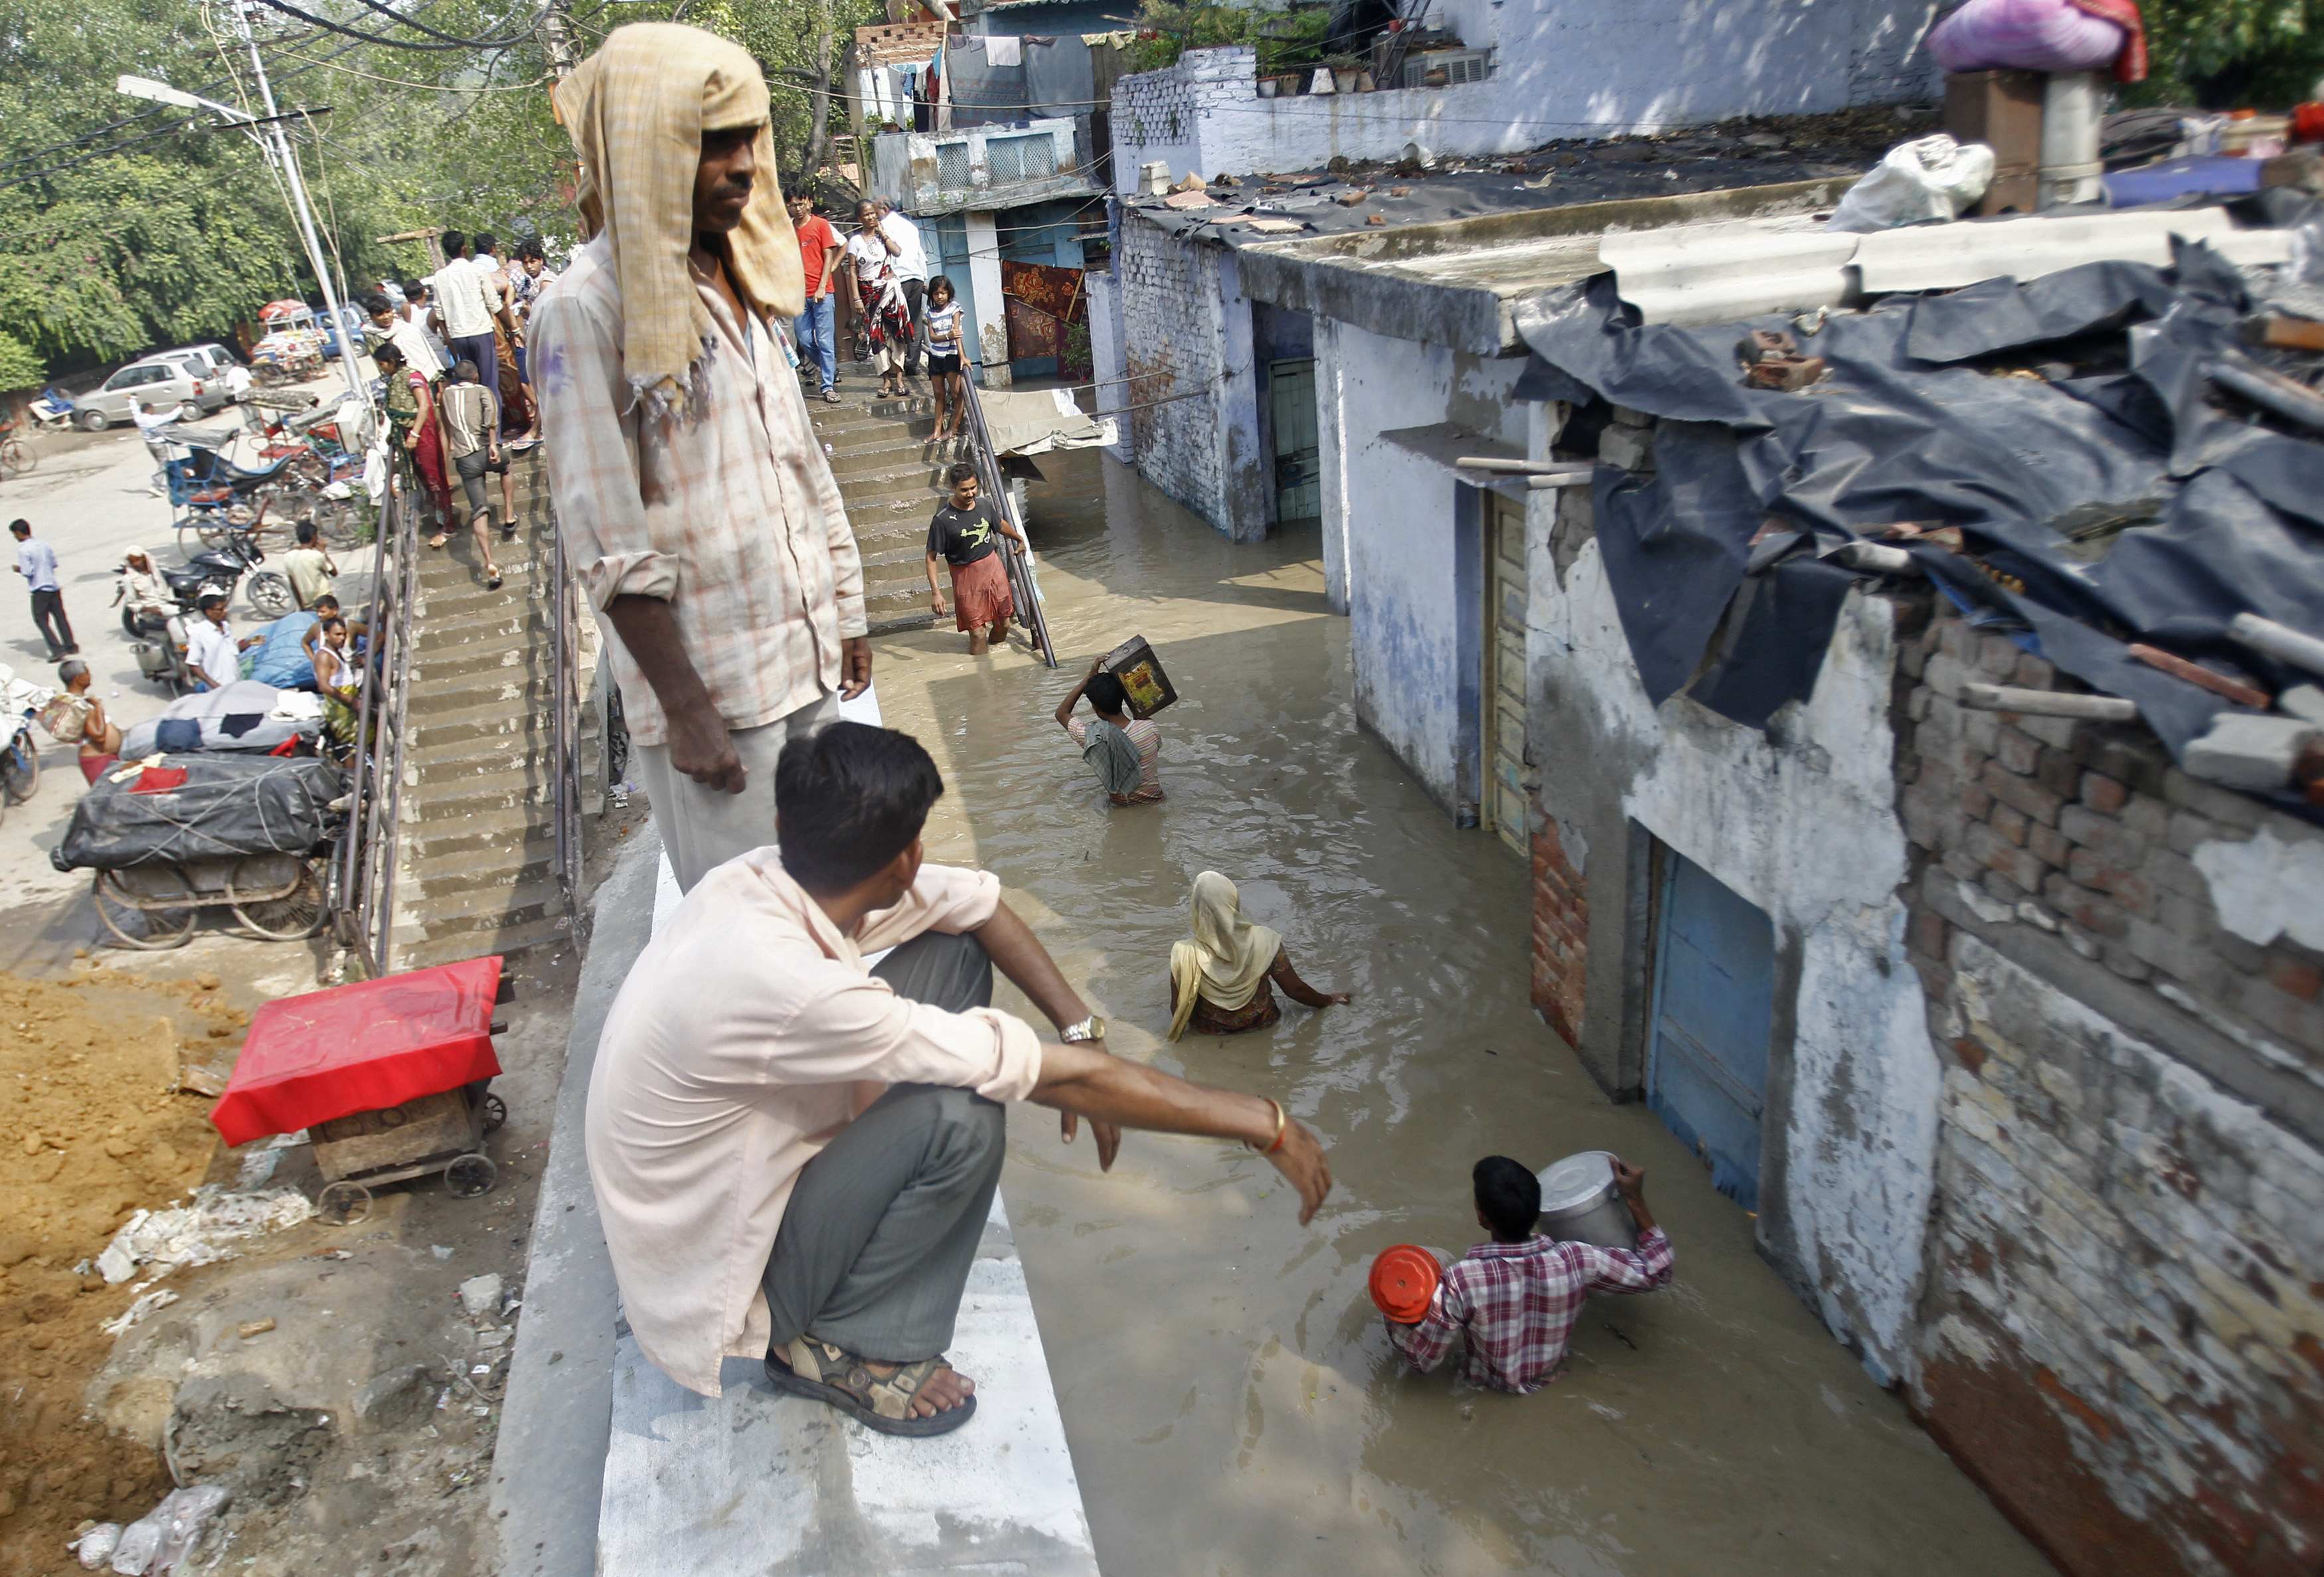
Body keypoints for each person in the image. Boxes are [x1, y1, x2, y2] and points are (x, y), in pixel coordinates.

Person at [587, 720, 1333, 1432]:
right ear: (905, 858)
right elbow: (1045, 1078)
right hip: (725, 1280)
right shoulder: (797, 988)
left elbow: (978, 906)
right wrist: (1262, 1120)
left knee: (957, 950)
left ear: (786, 824)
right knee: (963, 1117)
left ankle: (847, 1255)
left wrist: (1081, 1030)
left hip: (718, 1183)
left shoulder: (761, 876)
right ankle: (836, 1343)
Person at [533, 23, 873, 894]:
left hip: (804, 666)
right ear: (648, 152)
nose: (741, 166)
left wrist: (847, 606)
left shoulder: (743, 276)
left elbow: (800, 464)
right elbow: (603, 537)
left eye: (745, 139)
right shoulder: (583, 311)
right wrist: (686, 708)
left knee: (832, 911)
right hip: (719, 702)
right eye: (708, 142)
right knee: (761, 948)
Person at [1386, 1155, 1673, 1394]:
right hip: (1553, 1382)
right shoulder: (1576, 1258)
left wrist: (1393, 1308)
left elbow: (1423, 1359)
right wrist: (1634, 1198)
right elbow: (1657, 1271)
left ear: (1482, 1217)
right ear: (1537, 1212)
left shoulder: (1462, 1281)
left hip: (1485, 1391)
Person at [1165, 871, 1349, 1040]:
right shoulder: (1265, 940)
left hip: (1212, 1033)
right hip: (1264, 1025)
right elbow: (1296, 990)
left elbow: (1179, 1009)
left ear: (1196, 908)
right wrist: (1328, 1000)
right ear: (1233, 900)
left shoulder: (1184, 954)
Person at [924, 463, 1021, 656]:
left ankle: (997, 656)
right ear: (953, 489)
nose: (970, 494)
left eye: (973, 488)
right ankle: (982, 675)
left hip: (992, 567)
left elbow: (999, 524)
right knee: (977, 632)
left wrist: (1018, 538)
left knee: (1004, 622)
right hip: (965, 576)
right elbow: (931, 557)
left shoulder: (984, 505)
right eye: (964, 490)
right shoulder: (942, 520)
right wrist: (936, 592)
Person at [435, 359, 512, 587]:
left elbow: (446, 425)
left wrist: (450, 452)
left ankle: (489, 563)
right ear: (476, 376)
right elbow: (491, 416)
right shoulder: (482, 391)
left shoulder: (445, 395)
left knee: (479, 510)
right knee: (506, 468)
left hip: (464, 458)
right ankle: (509, 515)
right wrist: (492, 445)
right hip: (485, 451)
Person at [1053, 657, 1162, 807]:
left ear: (1095, 708)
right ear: (1123, 698)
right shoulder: (1149, 728)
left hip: (1122, 808)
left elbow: (1062, 713)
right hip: (1156, 801)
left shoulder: (1093, 738)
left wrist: (1089, 677)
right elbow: (1140, 716)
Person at [374, 343, 452, 535]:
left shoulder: (413, 376)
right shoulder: (394, 380)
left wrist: (415, 435)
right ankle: (438, 517)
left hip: (422, 433)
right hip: (408, 435)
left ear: (391, 362)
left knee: (434, 476)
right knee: (423, 476)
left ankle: (448, 525)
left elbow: (424, 405)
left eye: (382, 364)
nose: (381, 368)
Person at [844, 200, 911, 398]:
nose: (871, 217)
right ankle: (885, 380)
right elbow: (853, 271)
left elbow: (897, 252)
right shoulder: (855, 241)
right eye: (866, 214)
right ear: (859, 218)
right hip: (869, 293)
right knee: (876, 335)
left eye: (873, 213)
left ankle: (899, 376)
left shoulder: (885, 235)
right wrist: (856, 298)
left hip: (891, 291)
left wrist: (883, 234)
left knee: (897, 333)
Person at [472, 232, 535, 440]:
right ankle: (526, 417)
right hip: (504, 328)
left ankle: (517, 419)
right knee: (514, 375)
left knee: (501, 378)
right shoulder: (495, 272)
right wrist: (514, 328)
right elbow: (505, 294)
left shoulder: (475, 270)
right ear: (493, 249)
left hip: (487, 332)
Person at [430, 230, 501, 408]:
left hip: (458, 336)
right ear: (465, 248)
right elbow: (494, 303)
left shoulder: (440, 276)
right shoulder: (477, 270)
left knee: (470, 386)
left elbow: (439, 312)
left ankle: (478, 431)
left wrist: (449, 337)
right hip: (481, 332)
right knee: (490, 385)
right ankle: (494, 432)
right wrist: (513, 329)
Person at [786, 191, 845, 403]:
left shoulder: (821, 224)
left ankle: (827, 386)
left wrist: (822, 286)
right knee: (804, 339)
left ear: (809, 203)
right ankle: (829, 366)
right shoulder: (787, 229)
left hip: (823, 292)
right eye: (793, 205)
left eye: (801, 204)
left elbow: (829, 255)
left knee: (825, 341)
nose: (798, 208)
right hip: (798, 295)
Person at [44, 659, 123, 784]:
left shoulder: (74, 700)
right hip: (98, 761)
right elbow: (99, 737)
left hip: (103, 758)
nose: (90, 676)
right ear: (78, 678)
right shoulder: (80, 705)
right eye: (87, 673)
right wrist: (99, 708)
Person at [875, 199, 928, 380]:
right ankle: (911, 363)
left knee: (891, 321)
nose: (873, 216)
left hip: (898, 279)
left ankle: (895, 364)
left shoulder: (882, 227)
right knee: (914, 320)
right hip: (916, 277)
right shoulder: (911, 227)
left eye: (875, 212)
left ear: (884, 209)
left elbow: (882, 255)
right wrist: (924, 277)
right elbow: (921, 255)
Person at [11, 519, 74, 659]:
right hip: (53, 586)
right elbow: (54, 563)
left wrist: (18, 569)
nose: (15, 537)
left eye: (14, 534)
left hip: (39, 589)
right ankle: (71, 645)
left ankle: (57, 650)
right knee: (60, 617)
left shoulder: (23, 550)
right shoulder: (43, 544)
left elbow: (28, 572)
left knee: (41, 619)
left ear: (19, 533)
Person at [365, 291, 444, 382]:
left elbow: (427, 356)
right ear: (372, 317)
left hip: (425, 379)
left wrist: (439, 384)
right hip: (399, 384)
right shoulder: (371, 335)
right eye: (380, 315)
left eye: (388, 312)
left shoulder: (408, 329)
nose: (386, 317)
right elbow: (381, 365)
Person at [922, 275, 967, 440]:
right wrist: (947, 336)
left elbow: (957, 334)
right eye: (936, 294)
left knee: (956, 394)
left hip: (951, 355)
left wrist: (962, 356)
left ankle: (954, 428)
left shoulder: (955, 308)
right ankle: (936, 430)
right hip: (936, 356)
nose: (940, 297)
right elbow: (932, 338)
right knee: (938, 394)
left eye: (943, 293)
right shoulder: (930, 313)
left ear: (949, 293)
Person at [185, 592, 248, 692]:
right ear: (209, 612)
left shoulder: (226, 627)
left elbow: (232, 650)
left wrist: (248, 644)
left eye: (225, 608)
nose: (225, 612)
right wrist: (213, 684)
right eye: (220, 610)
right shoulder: (199, 632)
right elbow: (193, 664)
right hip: (218, 688)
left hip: (236, 682)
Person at [114, 548, 171, 635]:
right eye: (132, 561)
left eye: (138, 560)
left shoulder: (155, 572)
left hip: (165, 606)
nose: (136, 563)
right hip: (151, 611)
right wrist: (148, 609)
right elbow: (131, 603)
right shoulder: (129, 579)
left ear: (144, 558)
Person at [282, 521, 337, 610]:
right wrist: (324, 552)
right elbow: (334, 572)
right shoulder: (316, 556)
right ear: (313, 537)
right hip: (325, 601)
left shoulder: (288, 557)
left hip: (307, 605)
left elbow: (293, 585)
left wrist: (301, 606)